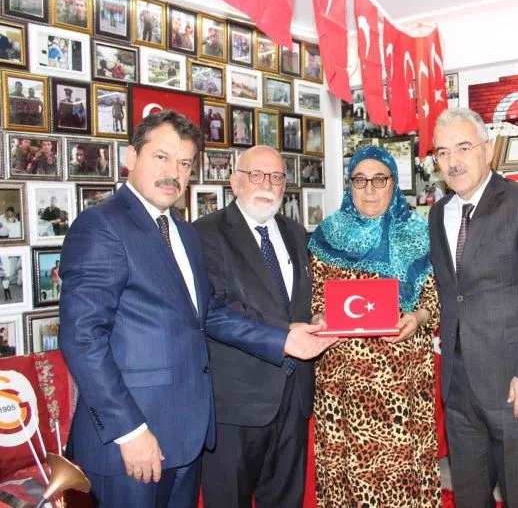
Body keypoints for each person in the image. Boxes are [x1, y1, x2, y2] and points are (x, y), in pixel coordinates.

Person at [58, 110, 336, 508]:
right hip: (129, 443)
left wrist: (284, 339)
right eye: (162, 157)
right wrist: (129, 430)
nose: (173, 172)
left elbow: (209, 314)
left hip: (186, 438)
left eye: (184, 163)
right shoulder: (101, 225)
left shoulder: (182, 232)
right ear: (131, 157)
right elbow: (82, 338)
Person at [428, 107, 518, 508]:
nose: (453, 161)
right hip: (458, 385)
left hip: (513, 384)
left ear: (488, 150)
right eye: (442, 153)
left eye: (463, 147)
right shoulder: (438, 213)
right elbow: (450, 293)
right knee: (470, 496)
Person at [308, 146, 441, 506]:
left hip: (401, 380)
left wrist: (418, 317)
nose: (369, 190)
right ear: (349, 184)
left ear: (393, 184)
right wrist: (319, 318)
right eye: (360, 180)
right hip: (342, 382)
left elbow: (436, 299)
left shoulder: (419, 233)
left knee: (399, 474)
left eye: (379, 180)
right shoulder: (328, 234)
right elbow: (315, 297)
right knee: (345, 474)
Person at [195, 146, 314, 508]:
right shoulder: (206, 233)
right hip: (237, 404)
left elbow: (300, 303)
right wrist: (284, 338)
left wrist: (319, 319)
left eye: (276, 177)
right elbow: (213, 311)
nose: (267, 184)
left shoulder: (297, 233)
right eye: (256, 175)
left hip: (293, 399)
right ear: (235, 182)